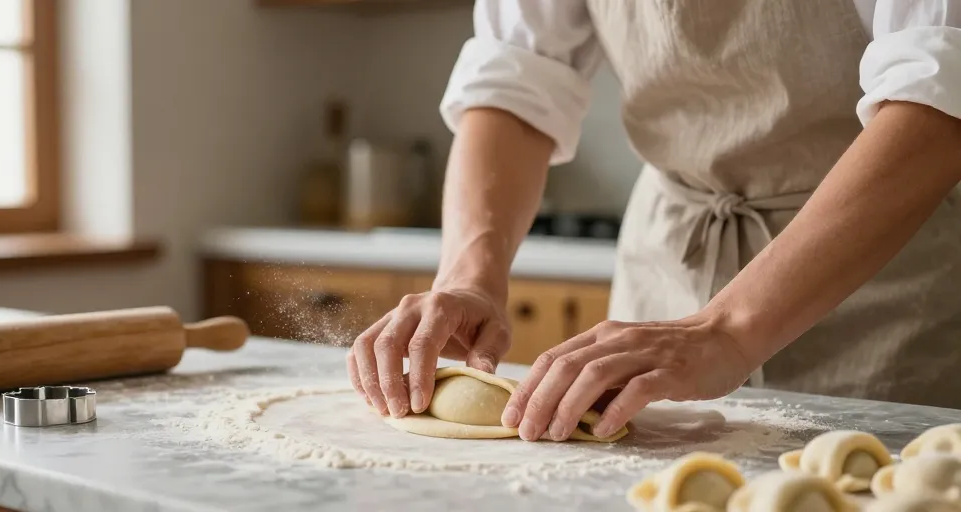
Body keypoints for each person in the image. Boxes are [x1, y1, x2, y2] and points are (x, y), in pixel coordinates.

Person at [347, 0, 961, 442]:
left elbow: (938, 95)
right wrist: (469, 277)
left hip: (882, 275)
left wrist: (727, 330)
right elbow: (514, 83)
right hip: (670, 262)